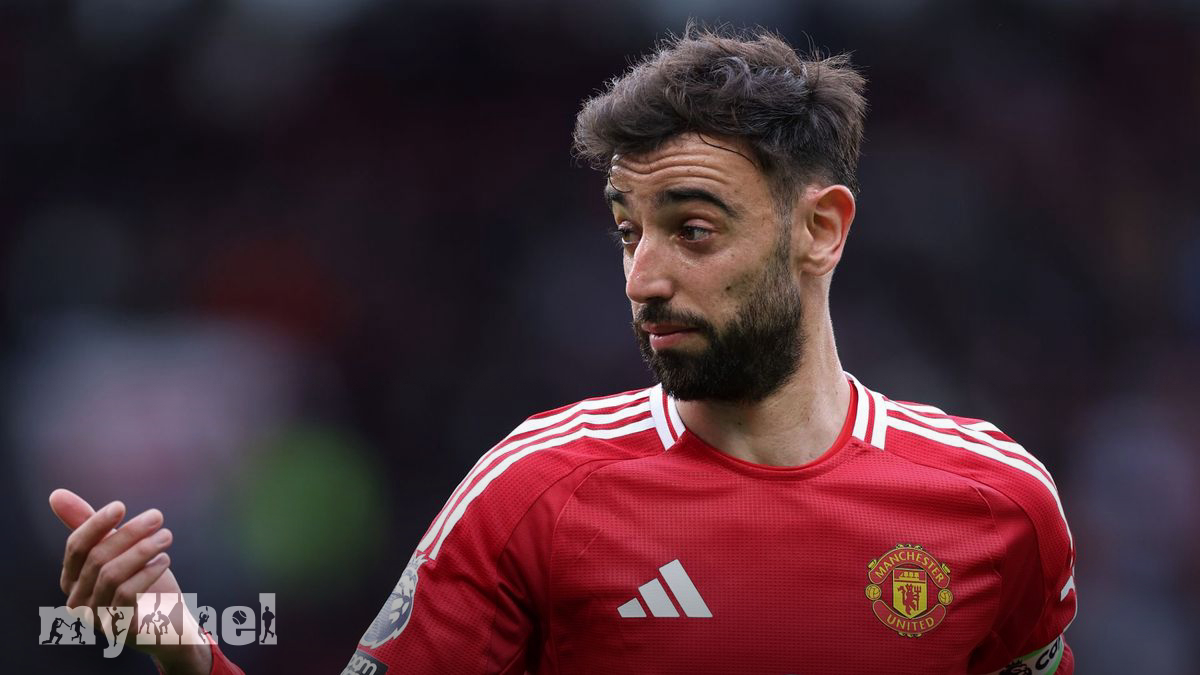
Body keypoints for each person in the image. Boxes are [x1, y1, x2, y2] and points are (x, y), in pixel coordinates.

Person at [47, 25, 1076, 674]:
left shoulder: (997, 506)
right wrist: (184, 651)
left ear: (821, 229)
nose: (643, 277)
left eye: (693, 229)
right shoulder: (534, 492)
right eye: (629, 231)